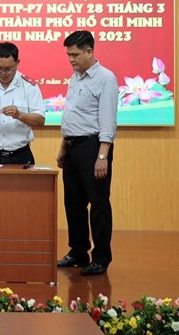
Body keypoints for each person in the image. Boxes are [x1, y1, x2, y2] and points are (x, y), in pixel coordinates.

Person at [56, 30, 119, 276]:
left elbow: (108, 121)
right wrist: (62, 148)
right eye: (68, 55)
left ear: (89, 51)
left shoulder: (105, 78)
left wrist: (102, 156)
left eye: (75, 55)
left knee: (99, 202)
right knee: (73, 202)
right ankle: (78, 251)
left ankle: (101, 257)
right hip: (72, 147)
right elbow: (71, 116)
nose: (71, 60)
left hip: (93, 147)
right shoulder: (76, 77)